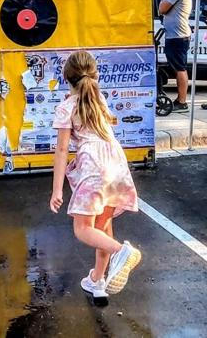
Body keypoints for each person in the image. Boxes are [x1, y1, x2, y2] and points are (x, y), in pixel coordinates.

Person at [49, 51, 142, 300]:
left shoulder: (66, 107)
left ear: (67, 78)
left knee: (82, 229)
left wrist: (57, 190)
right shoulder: (98, 99)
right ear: (94, 75)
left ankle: (121, 251)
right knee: (102, 227)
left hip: (93, 166)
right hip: (116, 164)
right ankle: (97, 281)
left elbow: (61, 150)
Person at [158, 0, 193, 112]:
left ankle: (182, 101)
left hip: (177, 35)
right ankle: (181, 99)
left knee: (180, 68)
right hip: (179, 34)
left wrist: (161, 1)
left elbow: (162, 8)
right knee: (179, 67)